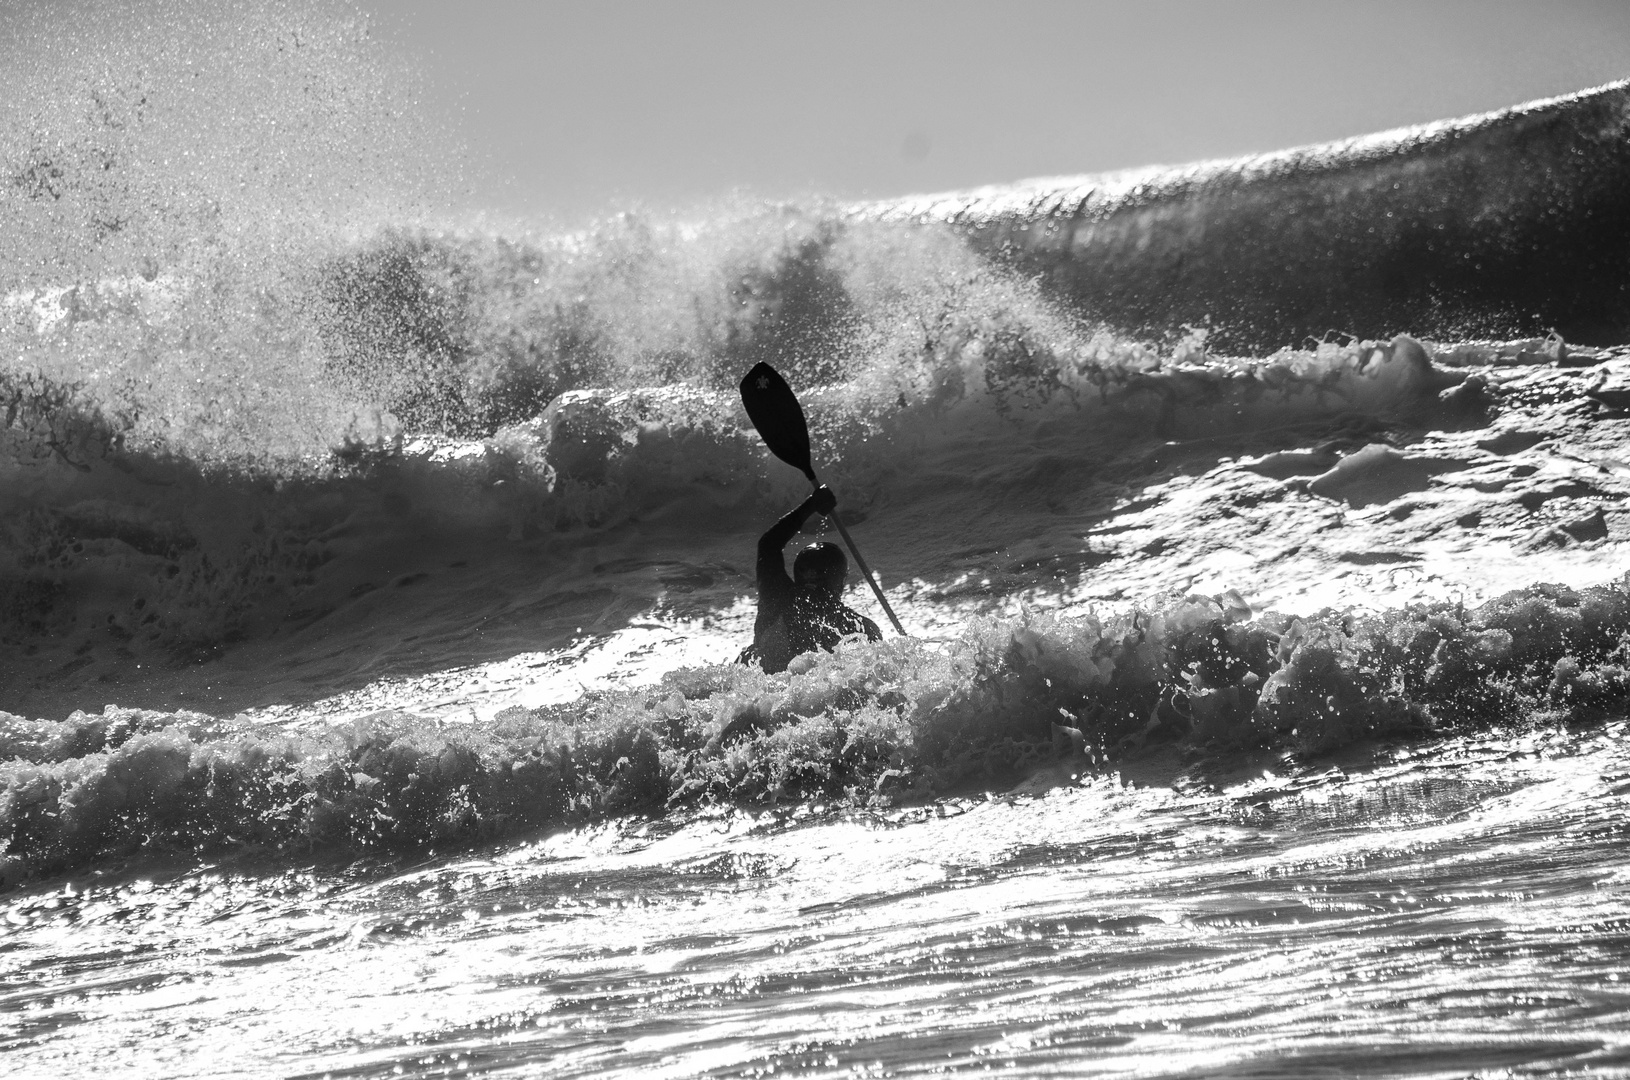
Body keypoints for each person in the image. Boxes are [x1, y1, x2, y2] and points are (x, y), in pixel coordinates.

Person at [741, 485, 881, 673]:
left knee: (749, 655)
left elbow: (769, 544)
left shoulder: (775, 597)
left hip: (759, 691)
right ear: (839, 581)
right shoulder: (859, 627)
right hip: (810, 695)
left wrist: (810, 505)